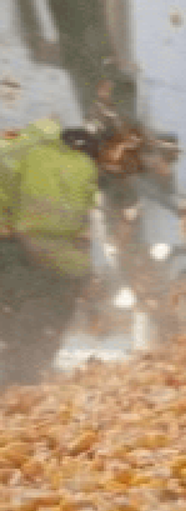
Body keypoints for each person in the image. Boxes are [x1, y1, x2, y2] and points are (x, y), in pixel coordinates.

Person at [0, 121, 110, 386]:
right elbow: (87, 221)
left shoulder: (17, 148)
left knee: (14, 319)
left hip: (13, 249)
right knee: (42, 326)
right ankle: (24, 384)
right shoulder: (85, 166)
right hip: (58, 262)